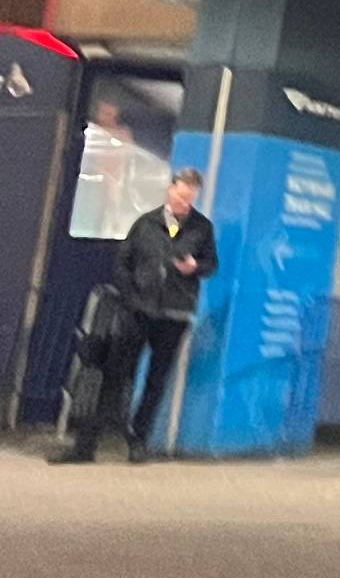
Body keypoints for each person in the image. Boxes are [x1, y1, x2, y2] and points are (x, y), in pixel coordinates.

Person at [54, 163, 218, 464]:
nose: (184, 203)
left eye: (190, 199)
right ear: (171, 189)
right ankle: (86, 446)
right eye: (181, 196)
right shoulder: (145, 224)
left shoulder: (202, 228)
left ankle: (138, 442)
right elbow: (123, 263)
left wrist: (195, 267)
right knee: (115, 375)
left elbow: (211, 265)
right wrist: (130, 298)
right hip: (139, 311)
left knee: (156, 381)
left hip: (174, 314)